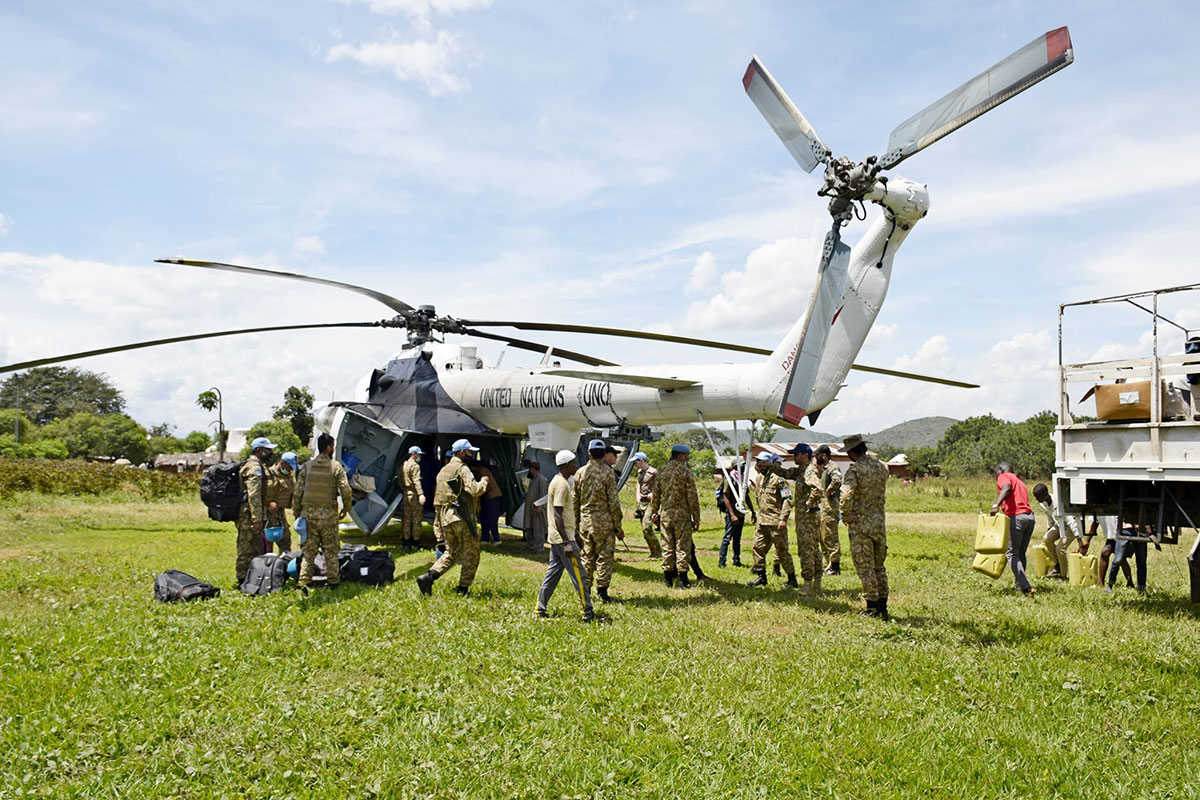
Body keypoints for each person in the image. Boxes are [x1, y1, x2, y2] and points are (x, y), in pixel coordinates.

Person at [417, 439, 490, 596]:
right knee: (472, 553)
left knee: (451, 552)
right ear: (462, 453)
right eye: (470, 452)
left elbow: (438, 499)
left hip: (446, 518)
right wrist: (484, 482)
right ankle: (463, 589)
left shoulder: (443, 470)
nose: (472, 455)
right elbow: (474, 490)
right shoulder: (462, 469)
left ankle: (429, 577)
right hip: (461, 517)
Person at [535, 450, 597, 622]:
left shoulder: (559, 481)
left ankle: (540, 608)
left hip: (559, 538)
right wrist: (567, 542)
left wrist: (574, 534)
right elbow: (558, 515)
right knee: (580, 576)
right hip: (563, 539)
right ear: (565, 465)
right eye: (573, 463)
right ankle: (588, 612)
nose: (575, 466)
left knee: (552, 574)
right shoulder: (561, 485)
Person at [292, 434, 353, 591]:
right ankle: (333, 582)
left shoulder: (306, 467)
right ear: (328, 448)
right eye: (332, 446)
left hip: (309, 516)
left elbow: (298, 492)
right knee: (331, 551)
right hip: (329, 517)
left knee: (308, 552)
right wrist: (346, 508)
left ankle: (304, 583)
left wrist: (298, 514)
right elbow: (345, 490)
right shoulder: (336, 466)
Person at [841, 434, 890, 618]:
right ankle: (883, 605)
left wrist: (846, 515)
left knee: (865, 567)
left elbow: (846, 496)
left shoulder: (855, 470)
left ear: (852, 452)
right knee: (879, 566)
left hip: (860, 525)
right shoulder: (881, 467)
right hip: (878, 523)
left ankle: (872, 607)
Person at [574, 439, 624, 603]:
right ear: (603, 454)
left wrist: (576, 525)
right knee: (604, 556)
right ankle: (602, 591)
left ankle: (585, 590)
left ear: (589, 453)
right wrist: (617, 525)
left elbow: (575, 500)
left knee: (587, 556)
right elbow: (613, 501)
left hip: (586, 521)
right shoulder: (608, 473)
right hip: (604, 521)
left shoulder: (580, 472)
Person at [650, 443, 701, 588]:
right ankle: (682, 580)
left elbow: (656, 494)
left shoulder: (662, 471)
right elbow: (692, 496)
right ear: (680, 455)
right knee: (682, 547)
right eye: (687, 455)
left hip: (666, 514)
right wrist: (696, 517)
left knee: (667, 546)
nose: (688, 457)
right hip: (682, 515)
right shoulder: (685, 472)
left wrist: (654, 512)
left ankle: (667, 580)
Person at [746, 452, 796, 588]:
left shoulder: (779, 480)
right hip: (762, 522)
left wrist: (783, 519)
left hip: (776, 522)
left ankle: (792, 579)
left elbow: (788, 499)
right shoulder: (759, 479)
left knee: (782, 551)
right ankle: (761, 577)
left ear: (770, 463)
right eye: (758, 463)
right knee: (757, 548)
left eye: (763, 463)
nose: (760, 466)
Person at [778, 443, 822, 596]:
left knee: (807, 551)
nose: (794, 457)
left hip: (807, 520)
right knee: (814, 550)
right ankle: (816, 585)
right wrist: (770, 467)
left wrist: (808, 504)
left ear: (805, 455)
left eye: (796, 454)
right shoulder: (801, 470)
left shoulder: (809, 471)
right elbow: (786, 473)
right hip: (808, 520)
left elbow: (817, 489)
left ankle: (808, 585)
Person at [989, 461, 1036, 595]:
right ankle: (1019, 584)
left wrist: (996, 505)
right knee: (1020, 552)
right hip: (1030, 518)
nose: (996, 476)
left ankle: (1025, 586)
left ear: (1001, 470)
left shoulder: (1004, 477)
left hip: (1017, 518)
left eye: (996, 473)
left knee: (1012, 554)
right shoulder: (1020, 481)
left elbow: (1006, 488)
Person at [235, 436, 277, 584]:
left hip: (252, 512)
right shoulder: (254, 468)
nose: (271, 452)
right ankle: (242, 579)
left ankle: (253, 578)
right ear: (259, 450)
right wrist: (256, 519)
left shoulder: (258, 465)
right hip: (249, 513)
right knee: (246, 547)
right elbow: (253, 495)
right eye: (268, 449)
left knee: (256, 546)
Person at [1032, 482, 1081, 578]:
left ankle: (1063, 575)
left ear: (1045, 493)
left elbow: (1071, 522)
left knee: (1060, 549)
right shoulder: (1043, 503)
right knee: (1046, 538)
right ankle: (1057, 565)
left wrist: (1080, 541)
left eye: (1038, 496)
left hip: (1070, 527)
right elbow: (1050, 518)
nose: (1036, 499)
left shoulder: (1058, 502)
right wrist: (1049, 530)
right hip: (1059, 524)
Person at [717, 463, 754, 568]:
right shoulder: (730, 479)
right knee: (727, 538)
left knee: (737, 539)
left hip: (740, 513)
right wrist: (732, 515)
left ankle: (736, 560)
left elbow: (746, 496)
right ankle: (722, 561)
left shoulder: (742, 479)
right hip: (732, 513)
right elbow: (726, 497)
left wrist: (753, 511)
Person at [263, 451, 298, 555]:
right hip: (267, 516)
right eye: (289, 466)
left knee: (286, 543)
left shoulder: (289, 477)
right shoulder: (267, 474)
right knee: (267, 545)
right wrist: (267, 503)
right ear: (282, 463)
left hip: (280, 515)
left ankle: (284, 566)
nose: (291, 469)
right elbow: (257, 495)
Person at [816, 445, 843, 575]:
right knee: (823, 536)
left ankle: (835, 566)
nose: (816, 458)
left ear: (824, 456)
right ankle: (827, 563)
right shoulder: (824, 468)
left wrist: (830, 489)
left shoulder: (832, 467)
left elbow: (837, 480)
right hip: (823, 506)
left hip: (830, 507)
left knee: (831, 536)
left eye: (818, 456)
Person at [632, 452, 663, 558]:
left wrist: (653, 494)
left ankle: (658, 552)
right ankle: (653, 552)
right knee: (644, 531)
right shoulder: (640, 472)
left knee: (647, 527)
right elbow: (638, 483)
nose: (634, 464)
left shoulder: (654, 472)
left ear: (641, 461)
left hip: (651, 503)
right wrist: (637, 494)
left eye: (635, 462)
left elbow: (661, 486)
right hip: (642, 502)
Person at [1106, 522, 1150, 593]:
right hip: (1125, 529)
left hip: (1141, 530)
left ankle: (1141, 588)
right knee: (1118, 559)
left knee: (1141, 561)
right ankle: (1110, 584)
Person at [399, 445, 426, 550]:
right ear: (414, 454)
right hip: (414, 494)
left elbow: (400, 480)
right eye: (419, 454)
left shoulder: (403, 465)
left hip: (406, 493)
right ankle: (416, 541)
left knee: (406, 518)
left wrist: (404, 489)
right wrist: (420, 494)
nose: (420, 456)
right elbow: (416, 480)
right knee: (416, 518)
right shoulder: (415, 466)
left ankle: (406, 541)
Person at [523, 459, 549, 553]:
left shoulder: (542, 480)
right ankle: (531, 544)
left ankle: (539, 547)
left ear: (533, 469)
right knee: (529, 526)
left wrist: (540, 506)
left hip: (537, 508)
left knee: (538, 529)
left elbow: (543, 494)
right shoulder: (532, 480)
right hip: (530, 507)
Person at [475, 460, 503, 544]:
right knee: (484, 519)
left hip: (492, 498)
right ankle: (485, 538)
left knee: (492, 519)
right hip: (488, 498)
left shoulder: (481, 471)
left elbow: (486, 486)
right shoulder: (482, 470)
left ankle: (496, 539)